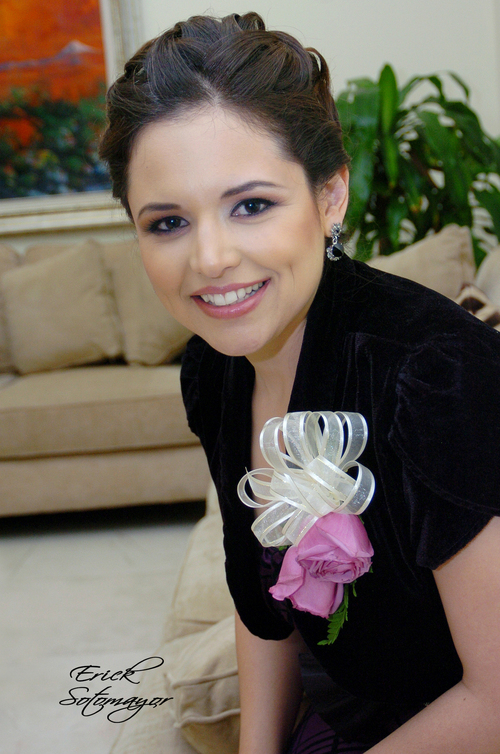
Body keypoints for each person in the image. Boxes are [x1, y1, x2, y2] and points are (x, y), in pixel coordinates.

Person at [99, 12, 500, 753]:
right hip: (353, 711)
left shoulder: (436, 373)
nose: (210, 258)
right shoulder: (212, 369)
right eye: (167, 222)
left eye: (251, 205)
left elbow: (496, 701)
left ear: (330, 196)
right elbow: (263, 609)